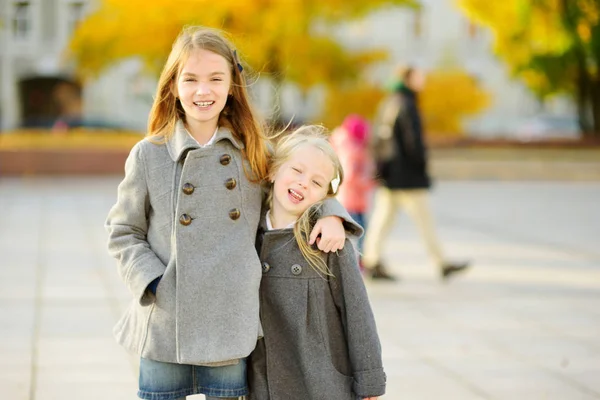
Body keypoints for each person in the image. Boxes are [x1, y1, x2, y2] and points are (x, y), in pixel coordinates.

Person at [105, 26, 354, 400]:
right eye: (190, 79)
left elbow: (299, 187)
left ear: (232, 86)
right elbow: (123, 230)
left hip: (229, 322)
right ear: (173, 85)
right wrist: (153, 282)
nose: (203, 91)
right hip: (166, 323)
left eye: (215, 79)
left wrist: (330, 211)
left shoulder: (254, 153)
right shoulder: (149, 154)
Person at [248, 126, 386, 400]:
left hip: (319, 382)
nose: (302, 183)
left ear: (325, 195)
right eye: (297, 171)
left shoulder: (329, 242)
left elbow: (357, 311)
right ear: (274, 171)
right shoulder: (248, 230)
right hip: (260, 382)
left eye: (316, 182)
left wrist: (369, 378)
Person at [364, 65, 470, 281]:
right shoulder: (407, 104)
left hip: (390, 174)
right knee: (423, 220)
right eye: (419, 77)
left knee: (382, 219)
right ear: (408, 79)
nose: (423, 81)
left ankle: (371, 260)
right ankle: (441, 263)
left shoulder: (388, 102)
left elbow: (377, 138)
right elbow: (414, 143)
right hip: (407, 176)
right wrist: (422, 168)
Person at [330, 114, 375, 259]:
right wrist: (366, 182)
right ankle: (356, 259)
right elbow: (348, 176)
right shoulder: (352, 151)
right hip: (351, 200)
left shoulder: (347, 147)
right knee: (357, 233)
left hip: (352, 200)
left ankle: (357, 258)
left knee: (357, 233)